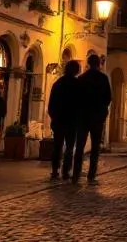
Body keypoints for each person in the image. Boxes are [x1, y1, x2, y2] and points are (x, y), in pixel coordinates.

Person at [73, 52, 113, 185]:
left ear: (88, 64)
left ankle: (76, 174)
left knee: (80, 146)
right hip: (97, 117)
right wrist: (102, 111)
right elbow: (108, 97)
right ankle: (91, 175)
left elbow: (76, 98)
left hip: (83, 117)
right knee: (95, 148)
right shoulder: (103, 78)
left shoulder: (81, 78)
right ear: (99, 64)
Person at [47, 60, 82, 180]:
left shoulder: (58, 83)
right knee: (69, 147)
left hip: (59, 120)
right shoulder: (78, 85)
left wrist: (54, 117)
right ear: (76, 70)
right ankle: (66, 170)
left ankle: (54, 170)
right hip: (72, 121)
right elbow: (81, 104)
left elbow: (51, 104)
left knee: (57, 146)